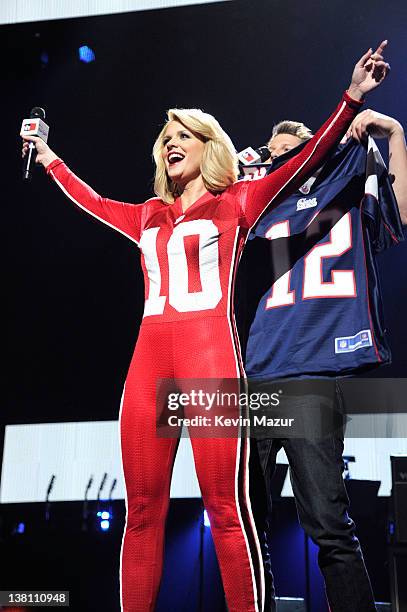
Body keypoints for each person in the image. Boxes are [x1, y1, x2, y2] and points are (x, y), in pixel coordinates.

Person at [22, 44, 389, 612]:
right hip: (146, 371)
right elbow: (90, 201)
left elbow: (309, 158)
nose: (171, 142)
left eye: (184, 135)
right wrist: (47, 155)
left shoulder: (238, 201)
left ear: (208, 147)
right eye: (165, 137)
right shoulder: (147, 213)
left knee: (228, 508)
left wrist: (352, 96)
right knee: (142, 512)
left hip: (212, 361)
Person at [245, 109, 406, 612]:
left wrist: (396, 133)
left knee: (329, 527)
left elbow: (399, 212)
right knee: (244, 526)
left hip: (309, 376)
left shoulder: (349, 185)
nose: (281, 152)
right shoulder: (259, 203)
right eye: (275, 150)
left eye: (293, 145)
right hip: (249, 375)